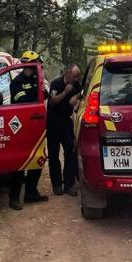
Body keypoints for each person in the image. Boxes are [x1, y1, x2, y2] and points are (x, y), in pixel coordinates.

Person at [8, 50, 49, 210]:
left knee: (38, 159)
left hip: (36, 125)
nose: (37, 68)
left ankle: (31, 193)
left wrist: (40, 81)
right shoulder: (17, 82)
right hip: (20, 125)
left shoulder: (36, 79)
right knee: (19, 162)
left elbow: (44, 94)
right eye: (36, 65)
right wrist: (35, 91)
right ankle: (14, 197)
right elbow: (22, 100)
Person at [47, 63, 81, 196]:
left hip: (66, 121)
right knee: (53, 154)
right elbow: (52, 101)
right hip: (53, 121)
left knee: (70, 152)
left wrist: (76, 96)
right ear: (67, 73)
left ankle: (69, 184)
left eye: (78, 76)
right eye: (75, 76)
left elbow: (82, 92)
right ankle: (57, 185)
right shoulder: (56, 83)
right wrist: (66, 92)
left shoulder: (77, 85)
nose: (77, 78)